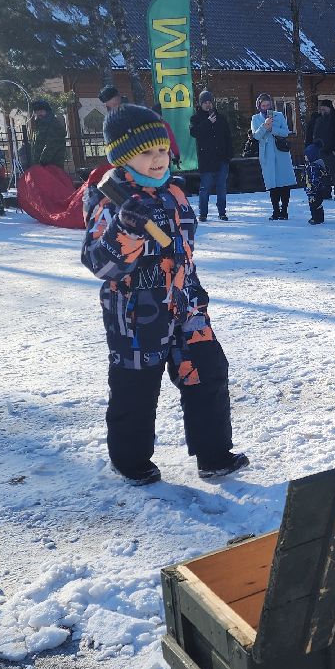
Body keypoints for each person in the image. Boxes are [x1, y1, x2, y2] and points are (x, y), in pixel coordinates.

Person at [81, 103, 249, 485]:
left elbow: (184, 254)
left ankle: (214, 454)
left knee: (207, 372)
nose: (158, 160)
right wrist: (126, 229)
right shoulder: (108, 199)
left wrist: (194, 296)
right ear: (123, 157)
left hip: (186, 305)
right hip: (137, 314)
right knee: (136, 387)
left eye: (161, 151)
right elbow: (100, 264)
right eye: (146, 153)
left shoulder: (174, 192)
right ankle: (130, 459)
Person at [250, 92, 297, 220]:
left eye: (268, 105)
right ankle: (275, 210)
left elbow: (286, 132)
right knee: (272, 183)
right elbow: (256, 136)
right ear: (259, 106)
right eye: (263, 105)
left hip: (280, 152)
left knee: (284, 182)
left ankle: (285, 210)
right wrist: (265, 126)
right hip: (267, 153)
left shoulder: (279, 115)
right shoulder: (255, 118)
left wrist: (273, 129)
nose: (266, 108)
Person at [189, 90, 232, 222]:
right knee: (205, 188)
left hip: (221, 159)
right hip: (206, 160)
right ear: (200, 104)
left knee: (221, 187)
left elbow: (228, 137)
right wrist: (207, 122)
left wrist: (228, 156)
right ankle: (203, 213)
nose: (208, 105)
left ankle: (222, 212)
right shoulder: (195, 118)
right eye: (205, 102)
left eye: (210, 102)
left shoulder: (221, 118)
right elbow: (194, 133)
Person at [28, 98, 70, 169]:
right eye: (37, 112)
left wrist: (42, 162)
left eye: (41, 111)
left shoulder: (53, 124)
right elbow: (38, 143)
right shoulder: (40, 124)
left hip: (51, 164)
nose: (39, 114)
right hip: (42, 164)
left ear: (47, 111)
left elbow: (52, 145)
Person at [303, 139, 331, 224]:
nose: (305, 157)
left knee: (313, 205)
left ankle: (316, 218)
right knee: (318, 204)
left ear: (311, 156)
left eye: (306, 155)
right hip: (318, 189)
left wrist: (312, 187)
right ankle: (319, 218)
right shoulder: (316, 165)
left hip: (314, 190)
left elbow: (313, 178)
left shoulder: (312, 167)